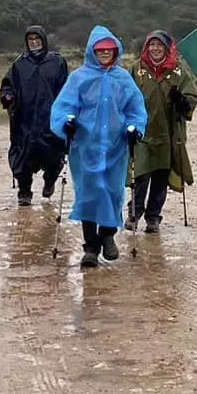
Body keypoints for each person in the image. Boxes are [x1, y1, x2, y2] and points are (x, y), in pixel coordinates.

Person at [50, 26, 148, 268]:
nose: (105, 53)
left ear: (116, 50)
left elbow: (135, 108)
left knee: (113, 191)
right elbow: (63, 106)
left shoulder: (123, 79)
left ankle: (107, 234)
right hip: (86, 147)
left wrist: (135, 127)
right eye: (100, 50)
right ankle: (91, 248)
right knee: (89, 193)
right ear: (92, 51)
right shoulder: (79, 78)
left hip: (116, 147)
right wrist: (67, 121)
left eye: (109, 49)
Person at [125, 30, 197, 233]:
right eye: (152, 45)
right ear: (146, 47)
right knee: (140, 175)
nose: (155, 49)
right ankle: (134, 213)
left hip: (168, 133)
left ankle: (153, 217)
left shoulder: (178, 71)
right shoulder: (136, 69)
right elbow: (125, 97)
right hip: (142, 133)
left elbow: (191, 96)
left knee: (160, 177)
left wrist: (181, 101)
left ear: (167, 48)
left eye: (160, 45)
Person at [0, 24, 69, 205]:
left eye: (37, 39)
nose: (34, 42)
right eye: (30, 39)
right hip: (25, 120)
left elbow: (66, 88)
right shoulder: (20, 64)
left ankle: (49, 180)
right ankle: (24, 192)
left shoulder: (57, 62)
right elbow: (8, 85)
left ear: (44, 40)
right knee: (23, 157)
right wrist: (8, 96)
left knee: (54, 156)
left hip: (50, 120)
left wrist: (67, 111)